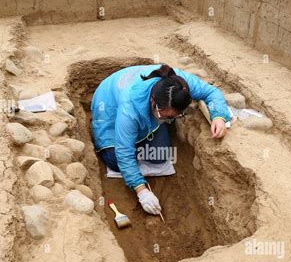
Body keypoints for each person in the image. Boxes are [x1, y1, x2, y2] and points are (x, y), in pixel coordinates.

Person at [91, 64, 231, 215]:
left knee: (160, 156)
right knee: (116, 161)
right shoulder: (129, 106)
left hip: (142, 109)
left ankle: (136, 147)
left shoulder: (179, 84)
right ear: (153, 100)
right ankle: (128, 156)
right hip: (109, 107)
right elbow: (124, 152)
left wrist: (218, 116)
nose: (168, 119)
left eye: (172, 117)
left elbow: (211, 92)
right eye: (165, 116)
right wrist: (141, 190)